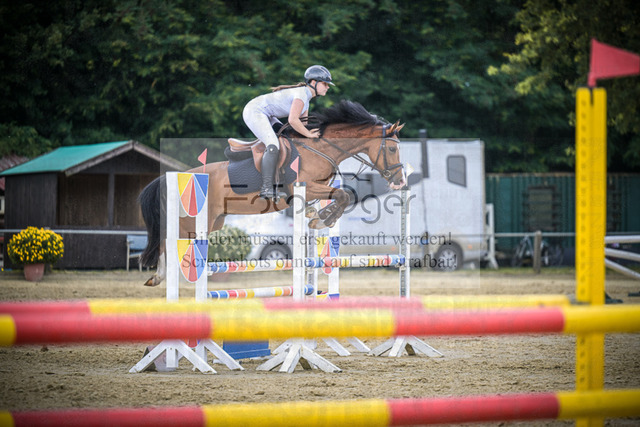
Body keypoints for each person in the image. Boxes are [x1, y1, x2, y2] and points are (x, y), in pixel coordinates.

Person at [243, 65, 334, 200]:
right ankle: (266, 188)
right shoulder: (301, 95)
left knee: (287, 138)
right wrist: (309, 134)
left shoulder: (306, 99)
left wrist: (315, 133)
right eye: (325, 83)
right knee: (273, 144)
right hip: (254, 111)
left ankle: (282, 181)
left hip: (267, 115)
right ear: (314, 82)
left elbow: (302, 126)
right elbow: (293, 120)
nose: (327, 87)